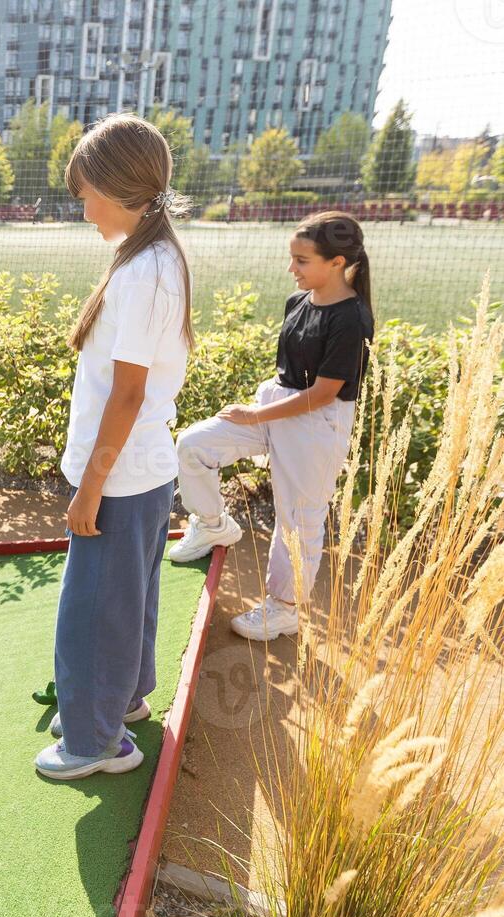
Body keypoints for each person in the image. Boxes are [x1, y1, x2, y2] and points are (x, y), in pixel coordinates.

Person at [36, 115, 195, 781]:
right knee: (129, 600)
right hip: (141, 473)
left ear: (115, 186)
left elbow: (127, 394)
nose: (83, 209)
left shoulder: (143, 270)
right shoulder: (150, 256)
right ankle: (121, 702)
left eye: (85, 194)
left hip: (123, 478)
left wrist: (91, 486)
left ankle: (94, 743)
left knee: (92, 614)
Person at [168, 211, 373, 640]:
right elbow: (290, 377)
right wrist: (258, 409)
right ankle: (211, 524)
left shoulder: (351, 317)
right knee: (194, 444)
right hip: (277, 405)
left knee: (298, 517)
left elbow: (323, 393)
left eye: (302, 260)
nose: (291, 269)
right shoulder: (298, 301)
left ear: (337, 262)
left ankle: (284, 609)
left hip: (317, 423)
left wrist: (255, 416)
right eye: (292, 258)